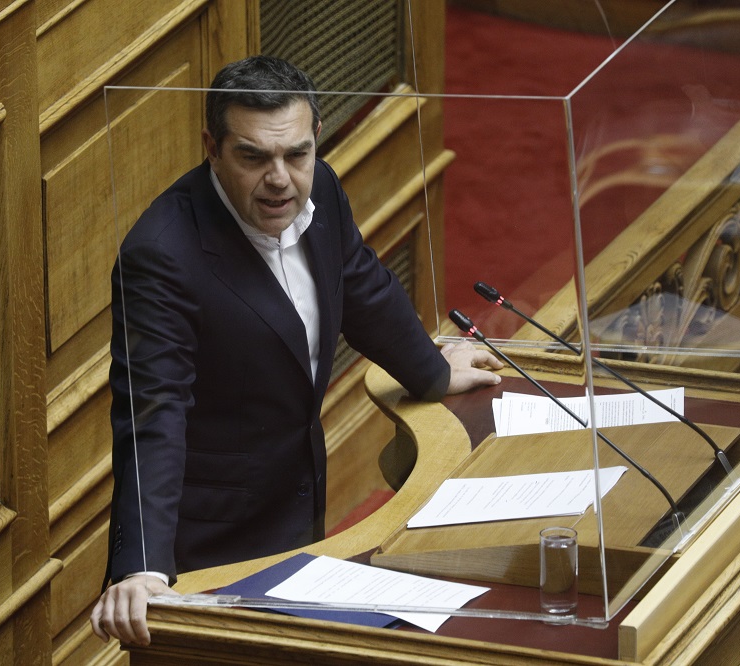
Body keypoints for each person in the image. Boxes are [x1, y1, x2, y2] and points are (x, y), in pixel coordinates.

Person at [90, 55, 503, 647]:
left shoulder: (322, 187)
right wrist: (143, 567)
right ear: (212, 148)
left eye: (296, 154)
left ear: (315, 139)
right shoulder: (161, 255)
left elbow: (359, 285)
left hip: (299, 502)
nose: (280, 178)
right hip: (210, 541)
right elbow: (153, 411)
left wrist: (433, 372)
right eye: (253, 157)